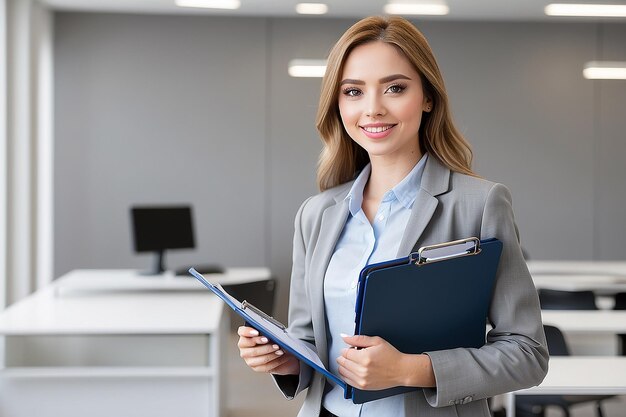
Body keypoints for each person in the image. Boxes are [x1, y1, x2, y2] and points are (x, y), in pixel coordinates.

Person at [237, 15, 548, 417]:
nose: (372, 109)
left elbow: (527, 354)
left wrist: (411, 369)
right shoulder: (315, 215)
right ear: (338, 102)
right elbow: (310, 343)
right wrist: (286, 360)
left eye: (395, 88)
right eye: (353, 91)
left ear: (428, 97)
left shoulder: (480, 203)